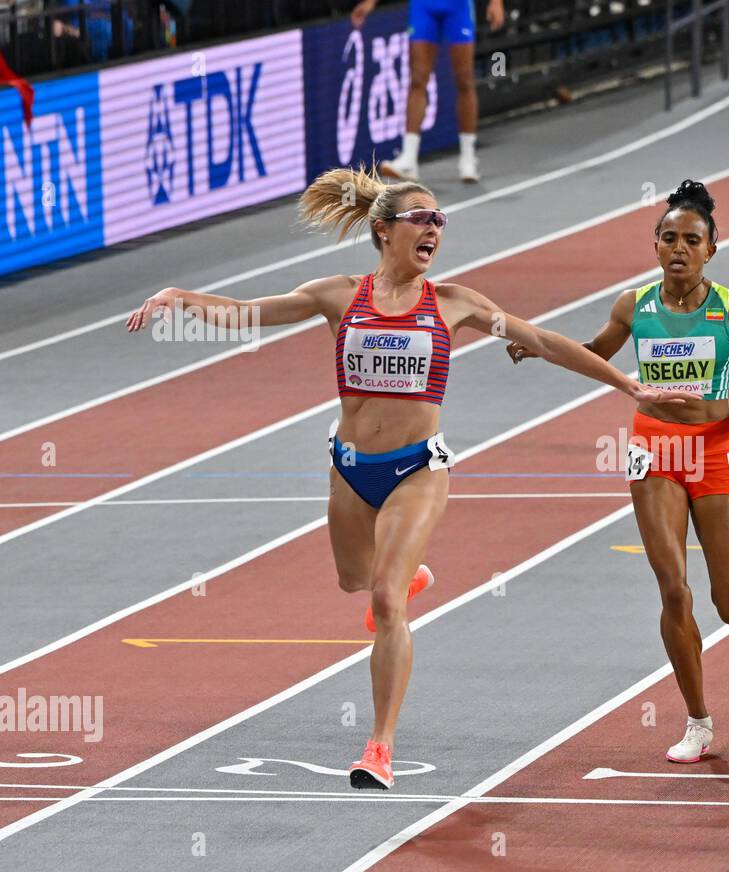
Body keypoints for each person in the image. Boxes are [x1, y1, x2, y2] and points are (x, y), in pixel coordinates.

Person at [125, 167, 695, 789]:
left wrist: (625, 383)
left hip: (416, 470)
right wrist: (180, 297)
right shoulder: (338, 296)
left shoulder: (454, 303)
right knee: (352, 581)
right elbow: (246, 314)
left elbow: (544, 340)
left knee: (384, 602)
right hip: (350, 467)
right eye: (421, 219)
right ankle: (406, 576)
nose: (434, 231)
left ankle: (378, 748)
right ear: (383, 230)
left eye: (440, 222)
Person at [506, 180, 729, 763]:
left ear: (712, 248)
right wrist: (539, 347)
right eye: (668, 238)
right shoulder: (634, 306)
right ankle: (698, 721)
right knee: (672, 587)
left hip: (711, 448)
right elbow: (596, 351)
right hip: (654, 447)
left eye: (691, 240)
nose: (679, 248)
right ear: (654, 245)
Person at [352, 0, 505, 184]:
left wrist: (496, 2)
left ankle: (468, 157)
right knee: (417, 79)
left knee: (464, 80)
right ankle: (409, 159)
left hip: (458, 7)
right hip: (423, 7)